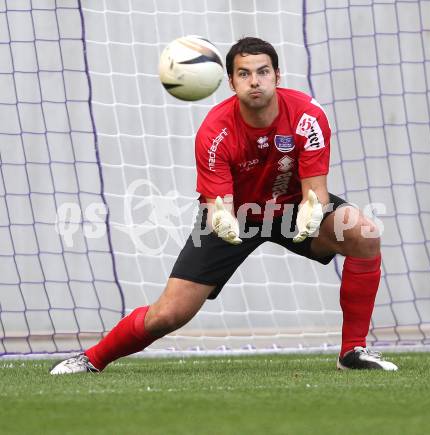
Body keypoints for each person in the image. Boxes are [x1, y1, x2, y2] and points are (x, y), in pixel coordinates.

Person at [50, 37, 397, 374]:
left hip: (291, 207)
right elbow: (218, 206)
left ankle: (352, 350)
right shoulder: (214, 131)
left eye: (263, 72)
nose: (255, 81)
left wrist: (313, 209)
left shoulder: (308, 115)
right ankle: (91, 359)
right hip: (235, 216)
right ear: (230, 81)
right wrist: (222, 221)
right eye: (244, 74)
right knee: (169, 314)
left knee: (362, 232)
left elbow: (316, 191)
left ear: (278, 75)